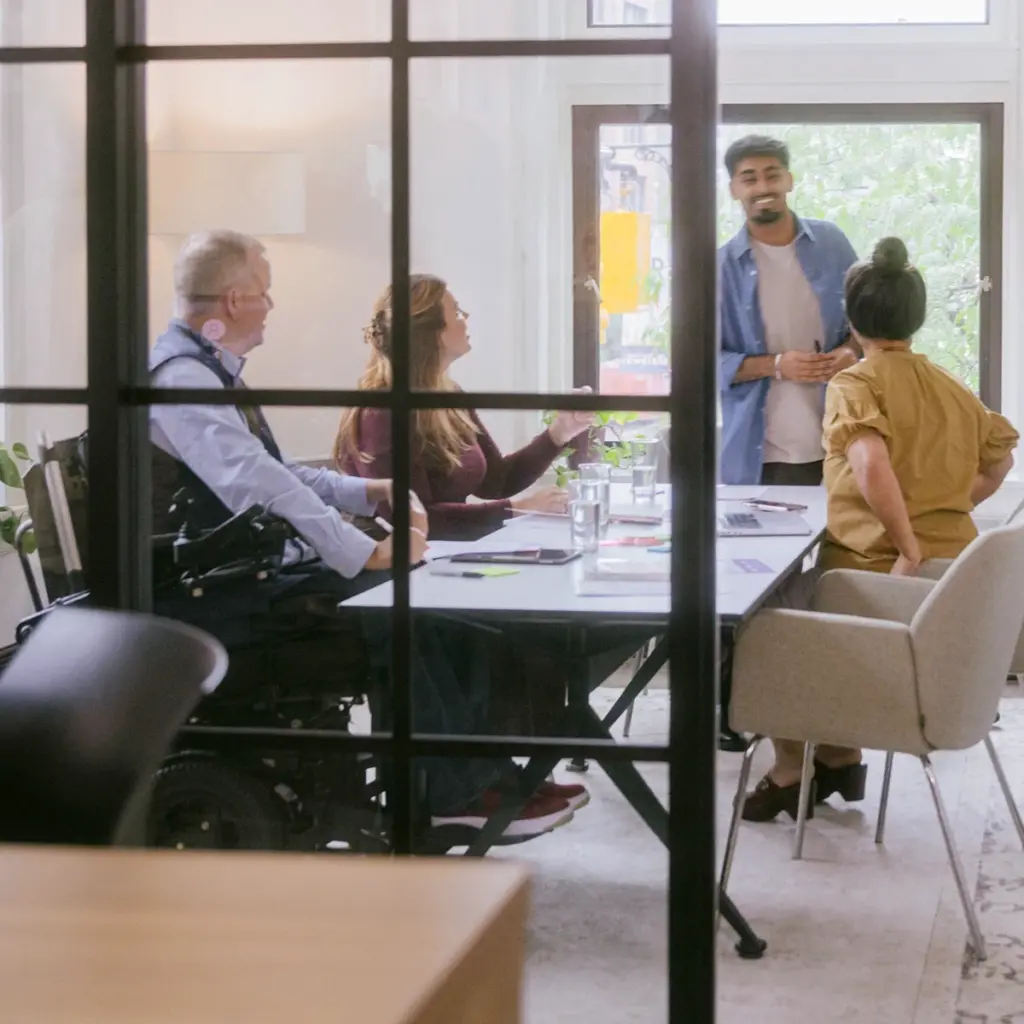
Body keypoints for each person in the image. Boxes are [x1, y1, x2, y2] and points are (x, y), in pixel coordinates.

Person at [149, 230, 579, 841]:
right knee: (408, 601)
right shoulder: (183, 379)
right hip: (212, 589)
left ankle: (478, 776)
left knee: (434, 592)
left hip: (241, 568)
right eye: (266, 294)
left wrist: (361, 494)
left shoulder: (207, 370)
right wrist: (363, 548)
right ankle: (453, 792)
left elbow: (273, 471)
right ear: (236, 299)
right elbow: (251, 481)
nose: (271, 306)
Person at [741, 236, 1019, 822]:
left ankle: (793, 768)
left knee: (754, 630)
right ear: (915, 319)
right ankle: (840, 758)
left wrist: (909, 544)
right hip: (949, 597)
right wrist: (941, 503)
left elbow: (869, 464)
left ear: (852, 320)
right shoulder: (950, 385)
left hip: (879, 581)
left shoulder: (855, 383)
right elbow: (1000, 461)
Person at [334, 274, 594, 541]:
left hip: (446, 552)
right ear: (429, 330)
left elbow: (497, 481)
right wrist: (517, 508)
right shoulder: (380, 412)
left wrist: (560, 431)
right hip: (390, 566)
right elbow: (412, 518)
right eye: (456, 311)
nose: (465, 317)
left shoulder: (451, 395)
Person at [719, 134, 860, 486]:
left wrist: (850, 353)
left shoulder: (832, 242)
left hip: (843, 446)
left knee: (848, 542)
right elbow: (699, 365)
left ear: (789, 180)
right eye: (749, 178)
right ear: (734, 189)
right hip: (762, 456)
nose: (762, 186)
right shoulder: (718, 268)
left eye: (772, 174)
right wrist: (778, 366)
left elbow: (868, 323)